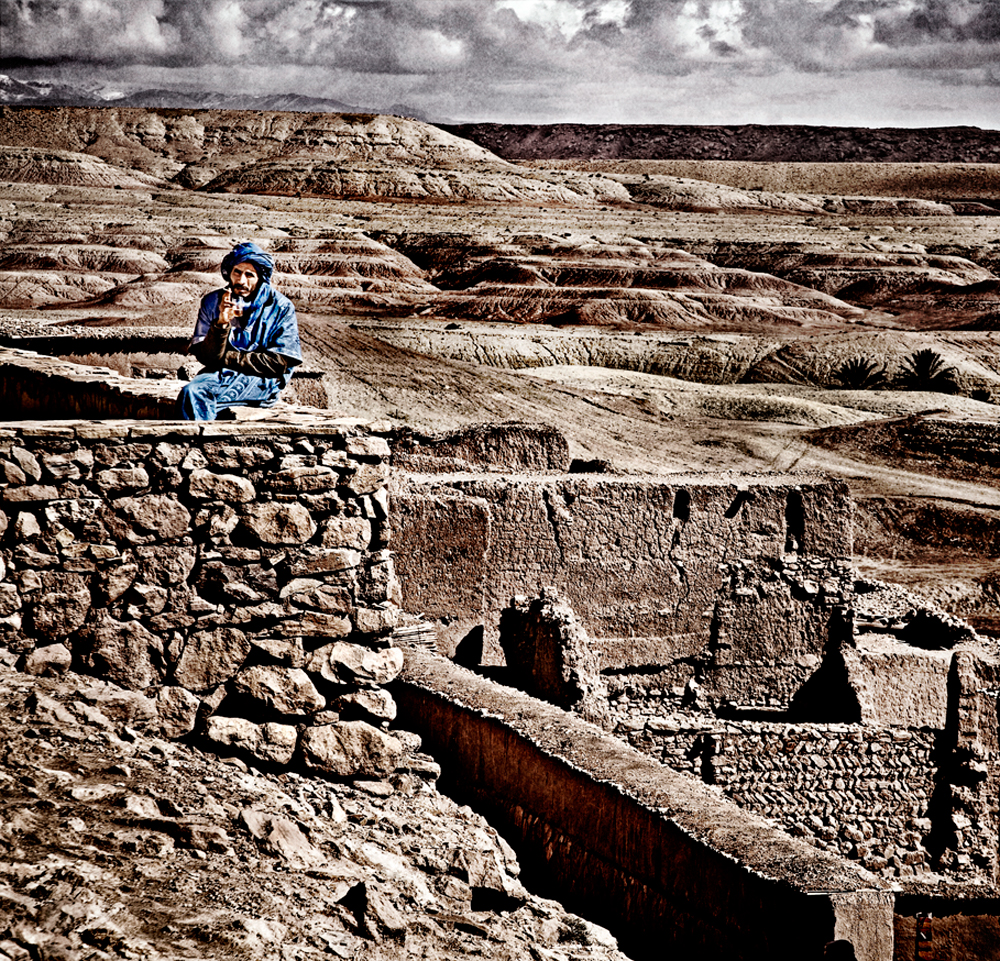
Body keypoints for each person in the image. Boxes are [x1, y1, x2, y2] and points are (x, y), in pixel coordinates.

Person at [178, 241, 302, 420]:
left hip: (263, 379)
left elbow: (278, 363)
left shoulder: (280, 307)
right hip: (219, 374)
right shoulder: (212, 302)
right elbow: (205, 357)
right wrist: (221, 324)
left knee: (198, 396)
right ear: (230, 272)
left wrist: (226, 357)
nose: (241, 281)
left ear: (260, 277)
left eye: (249, 275)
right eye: (237, 272)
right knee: (190, 392)